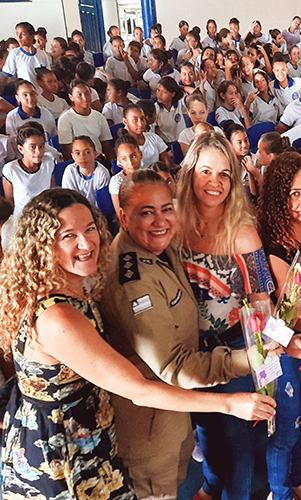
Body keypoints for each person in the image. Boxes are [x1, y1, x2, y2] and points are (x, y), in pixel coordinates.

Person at [0, 187, 275, 498]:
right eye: (68, 235)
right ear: (43, 245)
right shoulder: (58, 318)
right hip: (65, 454)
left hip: (88, 433)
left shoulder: (68, 288)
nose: (86, 242)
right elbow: (139, 390)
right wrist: (231, 403)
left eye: (90, 228)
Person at [100, 168, 274, 499]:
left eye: (166, 209)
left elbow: (262, 298)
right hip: (160, 413)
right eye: (145, 212)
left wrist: (276, 338)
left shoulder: (177, 242)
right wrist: (253, 358)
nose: (160, 220)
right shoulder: (141, 272)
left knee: (230, 448)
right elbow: (174, 367)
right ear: (123, 217)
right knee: (193, 460)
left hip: (203, 382)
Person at [177, 132, 276, 500]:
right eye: (205, 171)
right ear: (190, 175)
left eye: (224, 174)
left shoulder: (245, 235)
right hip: (188, 351)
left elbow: (263, 303)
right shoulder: (174, 227)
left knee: (235, 440)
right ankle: (210, 483)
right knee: (205, 429)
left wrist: (267, 367)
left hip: (234, 351)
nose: (214, 183)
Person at [257, 151, 301, 500]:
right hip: (281, 349)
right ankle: (280, 493)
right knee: (283, 430)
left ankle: (296, 480)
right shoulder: (271, 242)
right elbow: (293, 311)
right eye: (294, 193)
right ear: (278, 196)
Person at [57, 79, 115, 161]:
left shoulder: (99, 116)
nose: (85, 98)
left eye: (87, 94)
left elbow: (106, 145)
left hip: (98, 158)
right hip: (80, 161)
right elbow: (67, 151)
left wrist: (113, 164)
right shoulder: (65, 119)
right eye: (79, 95)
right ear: (71, 97)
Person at [0, 22, 52, 92]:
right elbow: (5, 76)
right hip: (26, 94)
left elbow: (48, 77)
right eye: (17, 34)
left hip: (42, 94)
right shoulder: (15, 53)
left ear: (31, 36)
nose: (19, 38)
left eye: (23, 34)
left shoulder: (42, 54)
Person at [62, 135, 110, 204]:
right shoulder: (70, 171)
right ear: (73, 156)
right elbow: (69, 199)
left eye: (87, 152)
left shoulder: (102, 173)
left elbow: (102, 203)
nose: (82, 157)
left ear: (95, 154)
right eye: (78, 153)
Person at [121, 103, 170, 168]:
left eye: (142, 119)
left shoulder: (153, 137)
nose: (140, 124)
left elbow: (166, 161)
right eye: (135, 120)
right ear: (125, 122)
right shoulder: (124, 145)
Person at [110, 131, 143, 216]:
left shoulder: (148, 175)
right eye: (124, 159)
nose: (131, 163)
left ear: (140, 154)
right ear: (119, 161)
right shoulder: (117, 181)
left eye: (134, 156)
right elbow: (120, 215)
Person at [155, 77, 188, 144]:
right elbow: (154, 132)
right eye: (158, 90)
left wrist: (180, 87)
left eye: (164, 92)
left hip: (183, 141)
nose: (159, 94)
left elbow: (196, 94)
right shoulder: (155, 108)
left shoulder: (180, 104)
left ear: (173, 94)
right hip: (166, 144)